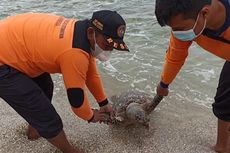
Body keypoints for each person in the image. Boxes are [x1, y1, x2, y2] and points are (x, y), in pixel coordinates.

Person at [0, 10, 129, 153]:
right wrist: (91, 116)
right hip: (4, 61)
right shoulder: (74, 52)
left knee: (45, 88)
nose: (109, 50)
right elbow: (77, 101)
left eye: (113, 47)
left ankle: (33, 134)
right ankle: (69, 151)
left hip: (14, 45)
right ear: (91, 33)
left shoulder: (82, 34)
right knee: (46, 115)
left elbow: (90, 74)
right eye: (107, 45)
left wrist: (103, 103)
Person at [155, 0, 230, 152]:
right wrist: (164, 84)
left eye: (179, 28)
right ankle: (222, 147)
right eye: (173, 29)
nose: (176, 33)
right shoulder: (188, 27)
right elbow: (175, 57)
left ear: (205, 13)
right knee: (223, 103)